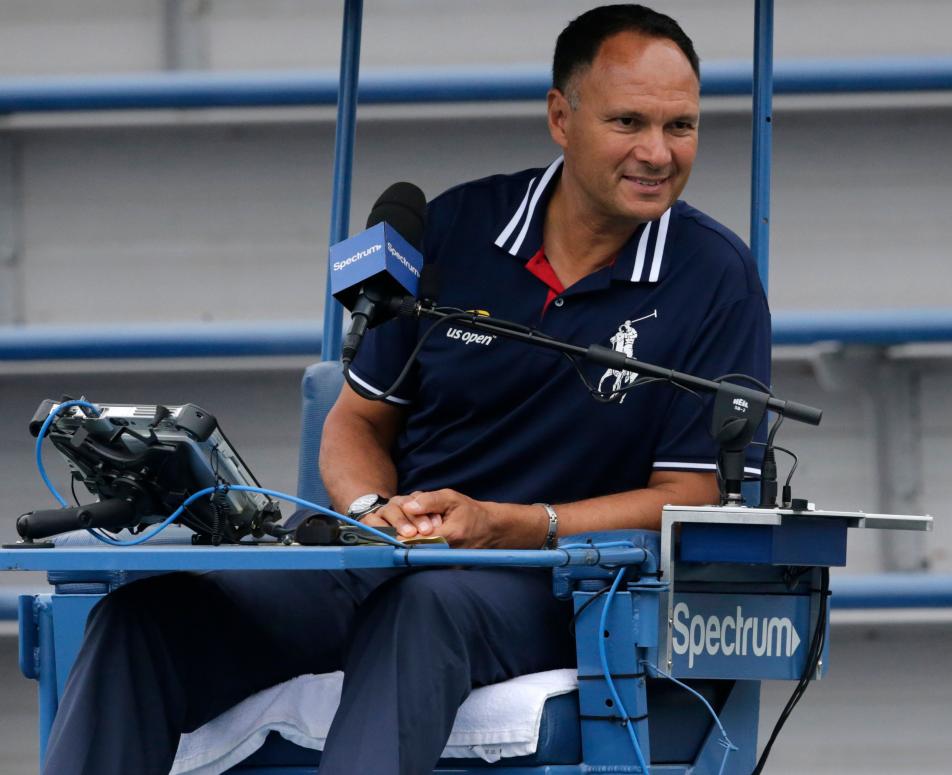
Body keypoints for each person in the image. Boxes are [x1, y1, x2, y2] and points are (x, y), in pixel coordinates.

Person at [42, 5, 770, 774]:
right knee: (143, 617)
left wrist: (510, 524)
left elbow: (692, 491)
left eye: (681, 127)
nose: (657, 153)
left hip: (555, 581)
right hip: (389, 554)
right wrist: (369, 513)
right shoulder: (452, 227)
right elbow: (356, 424)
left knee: (420, 612)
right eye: (629, 121)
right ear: (562, 116)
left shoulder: (717, 275)